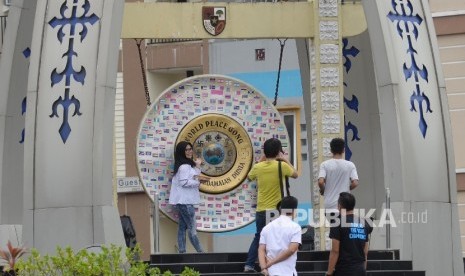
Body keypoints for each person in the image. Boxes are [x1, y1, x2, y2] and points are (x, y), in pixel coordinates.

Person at [244, 138, 299, 272]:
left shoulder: (258, 167)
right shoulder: (282, 166)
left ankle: (249, 265)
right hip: (276, 210)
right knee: (277, 238)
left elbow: (249, 177)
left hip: (261, 208)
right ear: (278, 151)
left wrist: (262, 160)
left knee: (259, 237)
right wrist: (285, 159)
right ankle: (272, 264)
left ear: (265, 152)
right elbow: (296, 174)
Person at [169, 141, 208, 253]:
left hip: (184, 202)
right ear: (182, 152)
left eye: (190, 149)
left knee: (182, 227)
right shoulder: (184, 166)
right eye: (186, 149)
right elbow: (184, 182)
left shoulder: (186, 165)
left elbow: (194, 176)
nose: (190, 151)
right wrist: (198, 183)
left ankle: (182, 251)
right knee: (192, 227)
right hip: (186, 202)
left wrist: (197, 166)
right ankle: (200, 252)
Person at [326, 192, 373, 276]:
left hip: (344, 270)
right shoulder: (364, 223)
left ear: (339, 206)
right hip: (360, 270)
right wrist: (363, 269)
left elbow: (335, 251)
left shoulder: (337, 222)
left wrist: (329, 273)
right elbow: (365, 251)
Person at [258, 196, 301, 276]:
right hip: (287, 272)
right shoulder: (295, 227)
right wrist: (272, 262)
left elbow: (261, 249)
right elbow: (292, 250)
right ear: (294, 210)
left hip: (271, 272)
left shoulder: (267, 227)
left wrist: (264, 268)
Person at [318, 138, 359, 219]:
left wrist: (323, 190)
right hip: (345, 205)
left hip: (329, 206)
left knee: (334, 228)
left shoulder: (324, 165)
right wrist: (347, 188)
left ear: (331, 150)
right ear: (343, 150)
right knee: (345, 229)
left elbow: (321, 182)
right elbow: (355, 183)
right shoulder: (350, 165)